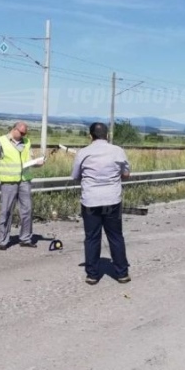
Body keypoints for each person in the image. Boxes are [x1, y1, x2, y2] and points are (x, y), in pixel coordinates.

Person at [71, 122, 131, 285]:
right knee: (116, 236)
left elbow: (75, 175)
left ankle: (92, 274)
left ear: (90, 136)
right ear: (107, 135)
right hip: (112, 200)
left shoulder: (83, 153)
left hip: (90, 201)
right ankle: (122, 273)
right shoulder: (118, 151)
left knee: (92, 237)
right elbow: (126, 173)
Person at [0, 121, 41, 250]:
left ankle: (25, 238)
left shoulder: (27, 142)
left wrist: (38, 163)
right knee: (6, 211)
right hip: (8, 181)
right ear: (14, 129)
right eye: (21, 133)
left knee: (27, 210)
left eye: (25, 133)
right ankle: (3, 240)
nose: (23, 135)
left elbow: (30, 160)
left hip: (24, 180)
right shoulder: (1, 141)